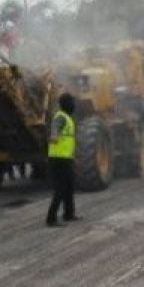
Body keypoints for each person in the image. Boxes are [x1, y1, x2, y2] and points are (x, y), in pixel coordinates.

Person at [46, 92, 79, 226]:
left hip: (66, 158)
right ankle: (51, 218)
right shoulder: (61, 117)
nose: (73, 105)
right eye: (71, 102)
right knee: (60, 189)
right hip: (59, 159)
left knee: (69, 187)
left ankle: (69, 214)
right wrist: (54, 136)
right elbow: (55, 129)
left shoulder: (68, 118)